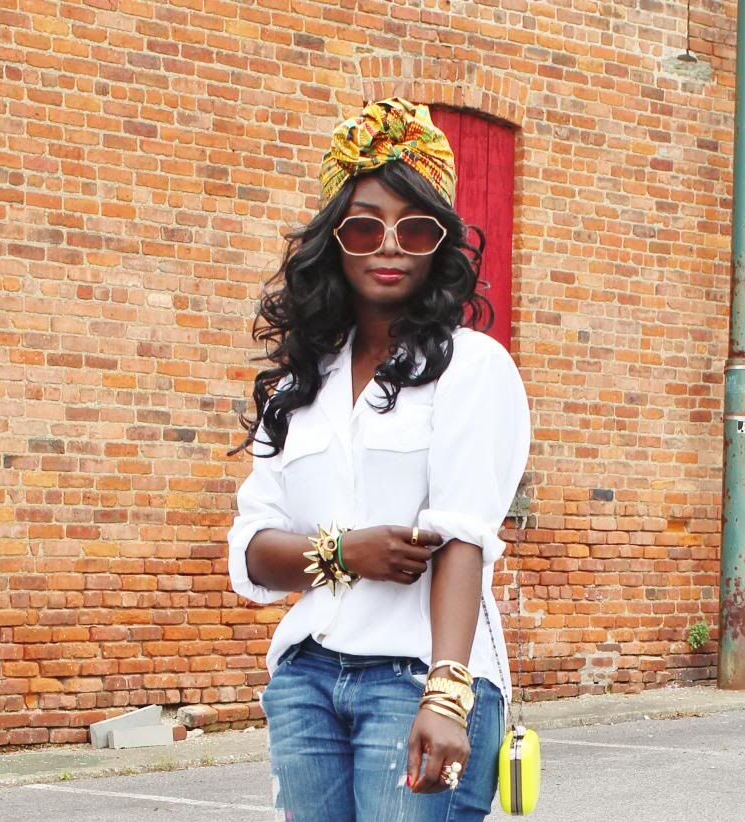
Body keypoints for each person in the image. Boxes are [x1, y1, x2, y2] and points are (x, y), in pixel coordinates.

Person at [227, 97, 531, 822]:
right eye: (364, 227)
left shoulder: (470, 367)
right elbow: (252, 552)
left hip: (416, 675)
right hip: (306, 678)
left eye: (414, 228)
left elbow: (463, 536)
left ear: (440, 244)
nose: (388, 245)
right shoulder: (300, 386)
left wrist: (447, 694)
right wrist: (343, 553)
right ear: (334, 242)